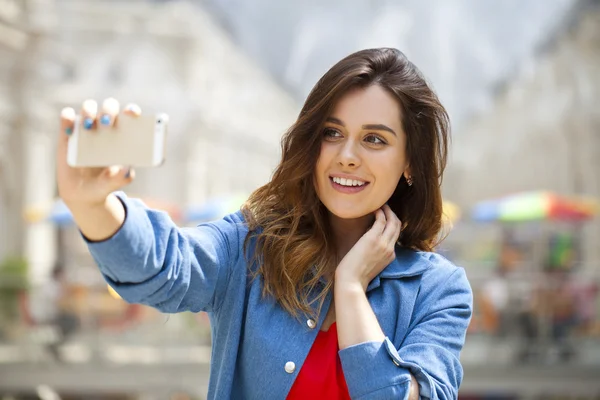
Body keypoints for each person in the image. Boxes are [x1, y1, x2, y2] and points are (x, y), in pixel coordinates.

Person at [56, 48, 472, 399]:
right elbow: (168, 265)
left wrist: (349, 288)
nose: (347, 155)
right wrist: (92, 206)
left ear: (411, 164)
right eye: (331, 132)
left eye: (374, 139)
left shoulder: (439, 291)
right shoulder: (250, 247)